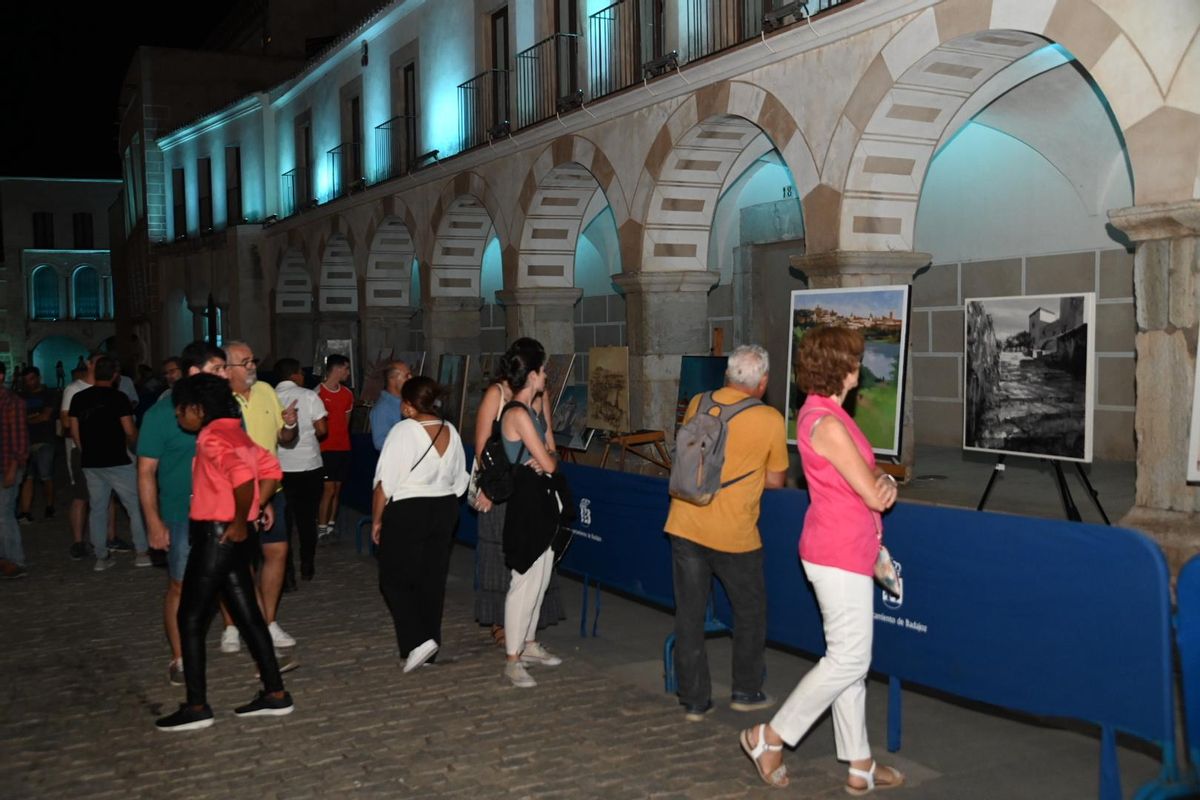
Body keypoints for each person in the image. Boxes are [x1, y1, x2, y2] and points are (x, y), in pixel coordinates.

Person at [737, 327, 903, 793]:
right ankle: (769, 737)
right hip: (839, 552)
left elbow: (856, 476)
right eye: (855, 359)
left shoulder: (821, 413)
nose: (860, 368)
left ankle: (860, 764)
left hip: (840, 547)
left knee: (847, 658)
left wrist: (874, 479)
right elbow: (872, 489)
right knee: (850, 658)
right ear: (842, 368)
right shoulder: (827, 422)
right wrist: (885, 483)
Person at [155, 373, 293, 731]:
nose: (178, 417)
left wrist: (237, 519)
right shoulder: (237, 431)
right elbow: (271, 469)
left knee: (190, 616)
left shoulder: (213, 435)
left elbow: (242, 478)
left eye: (181, 410)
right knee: (247, 614)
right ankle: (275, 693)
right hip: (235, 536)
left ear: (198, 409)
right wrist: (255, 510)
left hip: (218, 534)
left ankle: (196, 705)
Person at [665, 344, 789, 721]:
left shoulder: (699, 402)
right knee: (750, 612)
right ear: (763, 382)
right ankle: (746, 690)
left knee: (689, 614)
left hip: (685, 522)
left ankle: (694, 700)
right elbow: (775, 481)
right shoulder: (769, 419)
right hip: (734, 533)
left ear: (728, 375)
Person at [138, 343, 226, 687]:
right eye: (218, 368)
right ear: (195, 372)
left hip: (222, 512)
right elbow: (146, 471)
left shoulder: (227, 408)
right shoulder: (162, 415)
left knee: (229, 583)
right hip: (180, 513)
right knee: (180, 584)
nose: (225, 373)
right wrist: (153, 521)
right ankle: (179, 657)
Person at [371, 376, 469, 672]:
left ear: (411, 405)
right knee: (431, 580)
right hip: (444, 508)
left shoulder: (403, 431)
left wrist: (377, 520)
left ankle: (416, 640)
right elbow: (460, 480)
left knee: (393, 580)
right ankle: (427, 646)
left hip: (408, 510)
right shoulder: (450, 430)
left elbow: (384, 483)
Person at [472, 339, 565, 647]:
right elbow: (483, 447)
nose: (545, 375)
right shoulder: (497, 395)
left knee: (534, 558)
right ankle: (503, 622)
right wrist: (489, 487)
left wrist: (546, 460)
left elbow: (551, 444)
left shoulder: (541, 398)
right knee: (501, 553)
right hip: (502, 486)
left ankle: (527, 628)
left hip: (533, 489)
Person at [221, 341, 299, 653]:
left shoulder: (267, 390)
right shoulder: (220, 399)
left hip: (272, 490)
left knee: (276, 553)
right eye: (245, 362)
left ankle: (268, 621)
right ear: (227, 370)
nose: (252, 366)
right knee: (237, 562)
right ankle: (231, 625)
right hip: (234, 494)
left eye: (253, 360)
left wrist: (291, 424)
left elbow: (284, 437)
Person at [497, 339, 565, 688]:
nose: (546, 376)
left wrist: (546, 459)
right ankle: (512, 659)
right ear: (533, 373)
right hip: (526, 503)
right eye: (543, 370)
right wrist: (546, 460)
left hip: (539, 500)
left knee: (539, 579)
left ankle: (528, 643)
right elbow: (551, 462)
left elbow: (549, 454)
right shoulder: (518, 413)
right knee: (523, 581)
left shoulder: (532, 410)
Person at [69, 356, 150, 571]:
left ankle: (101, 557)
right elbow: (130, 430)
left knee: (97, 508)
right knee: (134, 506)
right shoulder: (119, 398)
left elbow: (74, 431)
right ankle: (142, 552)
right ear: (115, 375)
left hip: (91, 461)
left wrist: (86, 450)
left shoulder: (78, 399)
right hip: (118, 459)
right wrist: (132, 446)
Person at [273, 358, 328, 582]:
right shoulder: (309, 396)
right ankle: (307, 564)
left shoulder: (269, 398)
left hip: (279, 467)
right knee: (307, 519)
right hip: (308, 464)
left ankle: (286, 573)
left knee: (282, 521)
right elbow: (322, 429)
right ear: (295, 375)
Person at [61, 354, 119, 560]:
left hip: (107, 449)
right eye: (98, 362)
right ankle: (78, 541)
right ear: (90, 364)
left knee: (108, 494)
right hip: (82, 450)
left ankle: (110, 536)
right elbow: (66, 422)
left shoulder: (109, 388)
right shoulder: (74, 390)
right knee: (81, 495)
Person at [317, 354, 354, 543]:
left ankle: (330, 526)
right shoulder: (317, 393)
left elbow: (345, 423)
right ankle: (321, 529)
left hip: (343, 448)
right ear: (337, 369)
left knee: (337, 489)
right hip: (325, 449)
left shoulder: (348, 394)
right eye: (346, 369)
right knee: (328, 489)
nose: (348, 372)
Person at [0, 362, 30, 578]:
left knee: (4, 514)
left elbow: (20, 441)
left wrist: (13, 468)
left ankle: (14, 560)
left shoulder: (12, 402)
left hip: (6, 465)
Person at [18, 367, 58, 523]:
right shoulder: (22, 396)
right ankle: (25, 511)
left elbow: (45, 416)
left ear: (38, 377)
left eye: (32, 379)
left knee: (45, 475)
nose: (30, 382)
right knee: (27, 477)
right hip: (26, 440)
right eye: (27, 380)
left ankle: (49, 505)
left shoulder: (49, 394)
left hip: (45, 439)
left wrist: (28, 419)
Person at [369, 360, 412, 451]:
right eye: (406, 376)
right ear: (392, 379)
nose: (411, 378)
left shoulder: (407, 402)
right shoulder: (382, 409)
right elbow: (380, 443)